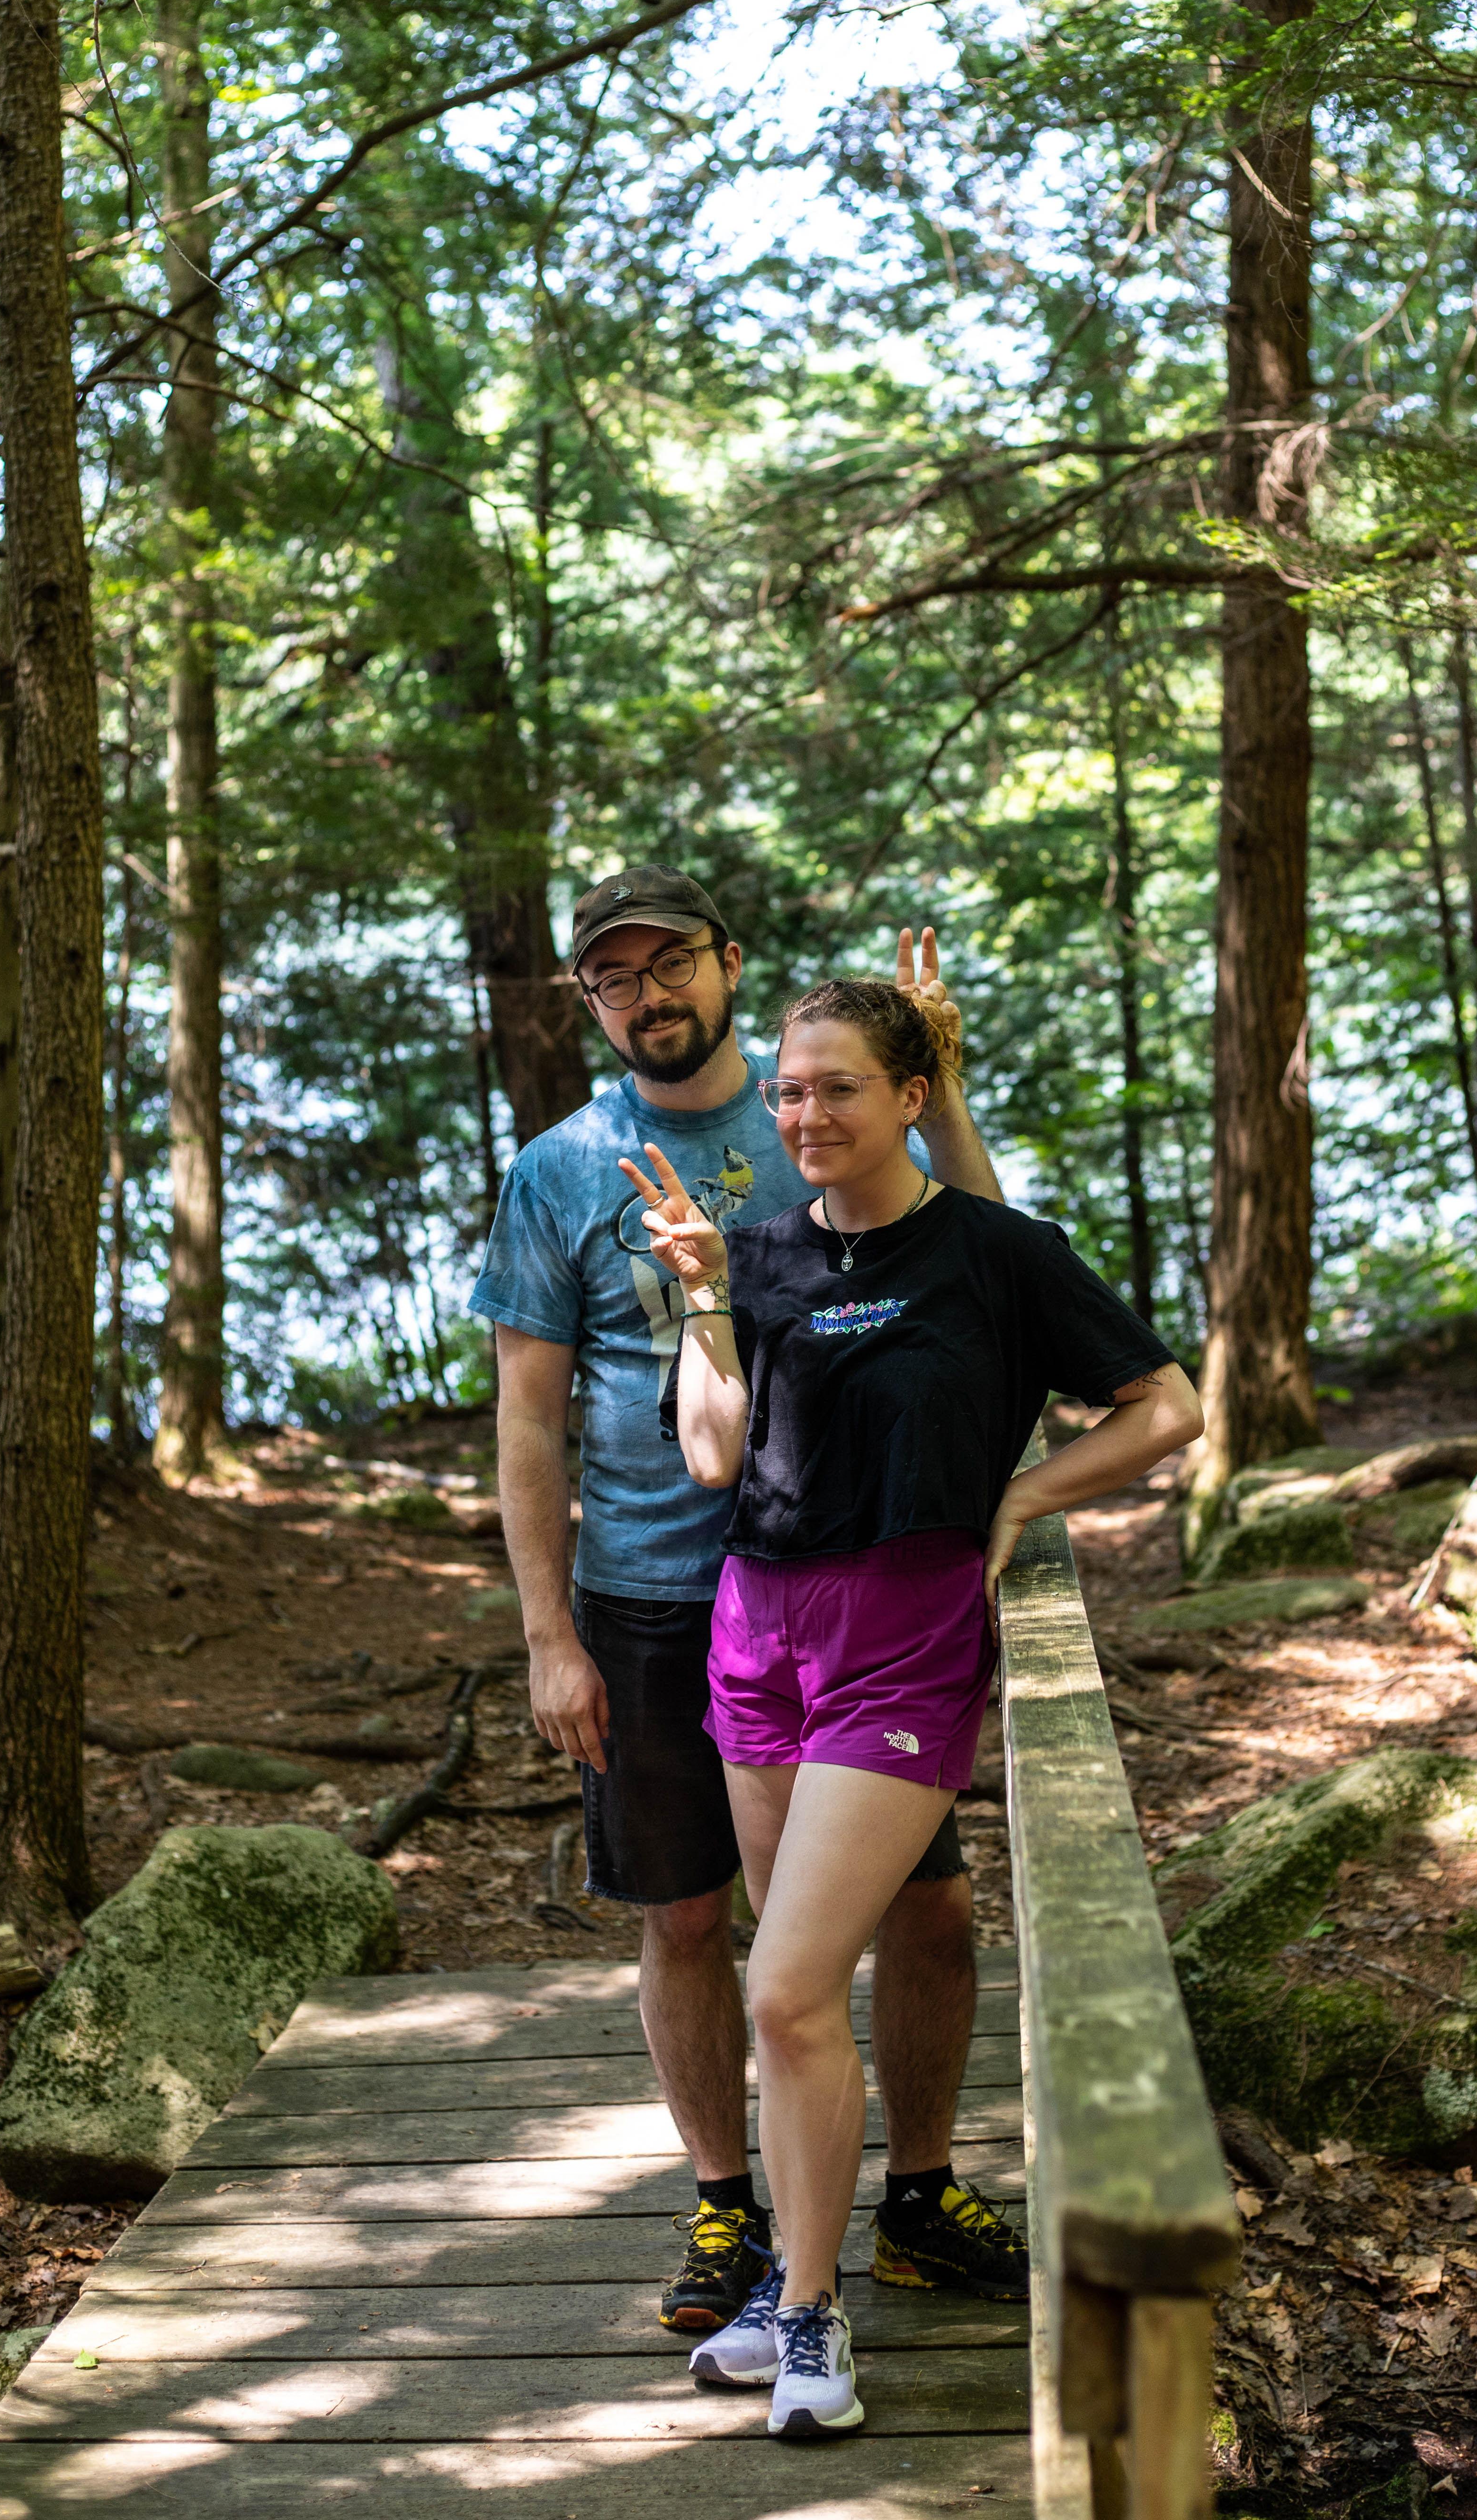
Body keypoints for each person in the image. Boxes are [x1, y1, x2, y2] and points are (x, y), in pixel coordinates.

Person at [621, 976, 1204, 2441]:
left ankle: (811, 2318)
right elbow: (710, 1459)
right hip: (756, 1632)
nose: (807, 1115)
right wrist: (699, 1295)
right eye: (793, 1094)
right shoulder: (748, 1257)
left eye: (838, 1089)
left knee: (784, 1988)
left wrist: (1026, 1490)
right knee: (797, 1994)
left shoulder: (994, 1254)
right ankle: (799, 2289)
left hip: (904, 1634)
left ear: (905, 1095)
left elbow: (1165, 1406)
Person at [469, 868, 1029, 2343]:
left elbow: (984, 1262)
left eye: (670, 966)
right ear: (587, 1000)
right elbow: (530, 1420)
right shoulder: (561, 1171)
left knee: (930, 1910)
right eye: (612, 978)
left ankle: (914, 2194)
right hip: (652, 1596)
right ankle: (732, 2203)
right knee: (684, 1916)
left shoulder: (811, 1111)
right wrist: (547, 1633)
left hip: (850, 1584)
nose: (646, 996)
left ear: (728, 965)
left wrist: (945, 1086)